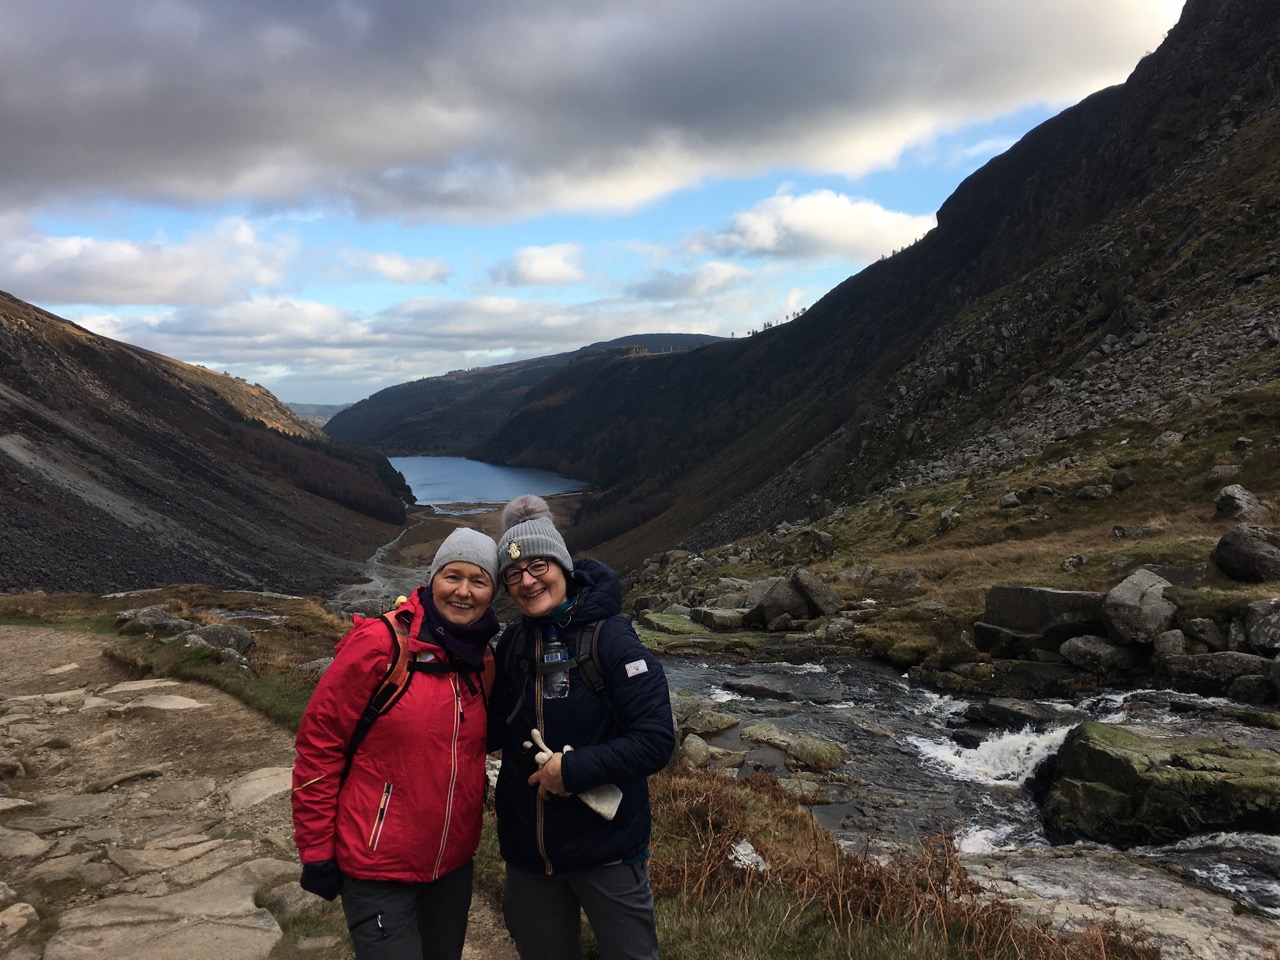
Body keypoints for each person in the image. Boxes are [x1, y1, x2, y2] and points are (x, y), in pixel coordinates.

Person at [292, 527, 501, 960]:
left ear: (492, 592)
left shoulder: (481, 659)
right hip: (378, 865)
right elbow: (320, 745)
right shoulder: (381, 644)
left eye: (478, 580)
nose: (463, 591)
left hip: (452, 865)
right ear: (432, 579)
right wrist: (315, 848)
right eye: (452, 576)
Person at [487, 494, 674, 960]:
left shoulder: (610, 637)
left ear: (562, 566)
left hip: (607, 850)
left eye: (538, 566)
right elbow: (488, 731)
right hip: (529, 855)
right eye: (513, 573)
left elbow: (655, 741)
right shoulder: (513, 644)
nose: (527, 581)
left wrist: (569, 772)